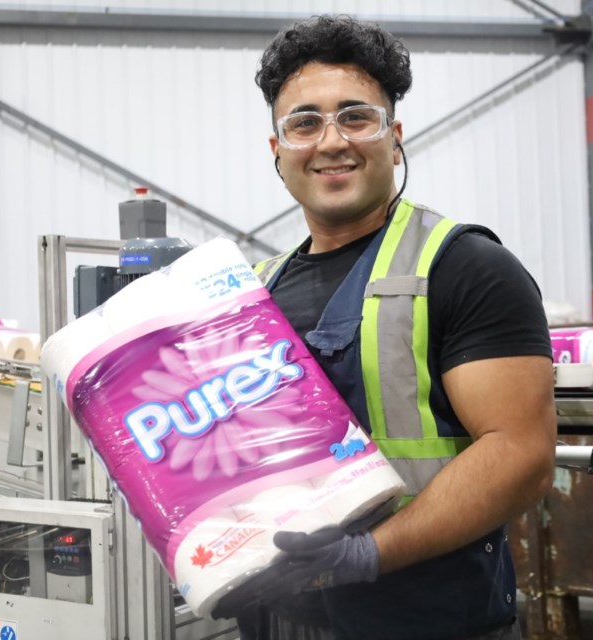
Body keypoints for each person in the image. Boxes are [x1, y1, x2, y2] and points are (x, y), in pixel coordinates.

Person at [215, 15, 557, 640]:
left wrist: (367, 554)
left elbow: (522, 454)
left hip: (429, 619)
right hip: (280, 619)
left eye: (355, 116)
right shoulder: (254, 293)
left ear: (393, 136)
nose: (331, 141)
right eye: (304, 122)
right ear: (278, 151)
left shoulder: (466, 268)